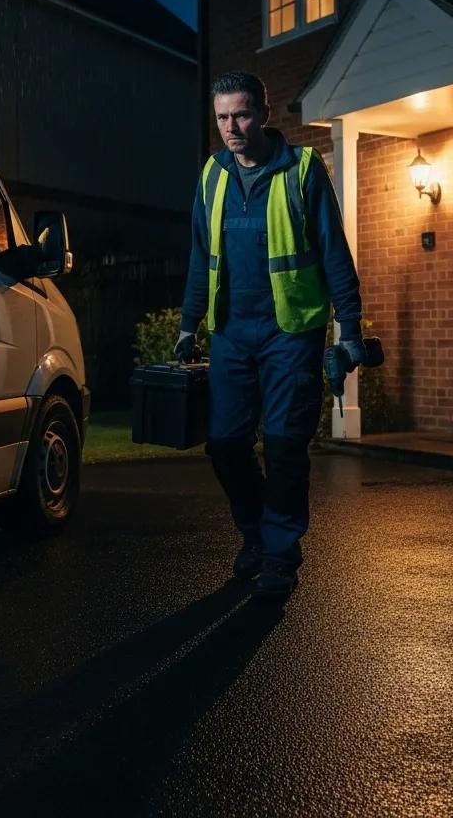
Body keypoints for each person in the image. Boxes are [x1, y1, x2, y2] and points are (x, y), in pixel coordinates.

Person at [175, 71, 365, 600]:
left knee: (283, 447)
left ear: (264, 112)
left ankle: (280, 555)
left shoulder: (302, 168)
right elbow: (200, 257)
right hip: (231, 334)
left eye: (240, 114)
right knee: (225, 444)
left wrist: (349, 329)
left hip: (291, 332)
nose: (231, 127)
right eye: (221, 117)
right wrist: (188, 324)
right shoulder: (212, 175)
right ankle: (256, 535)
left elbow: (334, 252)